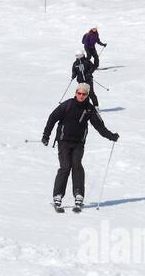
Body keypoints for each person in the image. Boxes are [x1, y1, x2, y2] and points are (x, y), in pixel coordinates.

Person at [42, 84, 119, 212]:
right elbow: (52, 117)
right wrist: (46, 135)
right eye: (79, 93)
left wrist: (111, 136)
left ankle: (79, 195)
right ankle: (58, 195)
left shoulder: (89, 109)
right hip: (64, 141)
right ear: (76, 92)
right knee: (65, 166)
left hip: (78, 143)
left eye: (84, 94)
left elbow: (99, 126)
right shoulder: (67, 105)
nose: (81, 96)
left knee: (77, 165)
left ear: (87, 95)